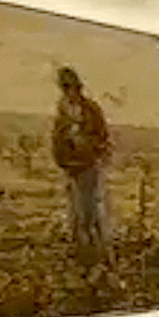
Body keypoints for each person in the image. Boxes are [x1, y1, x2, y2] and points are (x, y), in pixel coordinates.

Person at [52, 67, 111, 257]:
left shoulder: (91, 110)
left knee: (89, 207)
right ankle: (80, 247)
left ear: (78, 88)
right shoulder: (63, 111)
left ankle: (96, 248)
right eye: (65, 88)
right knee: (75, 209)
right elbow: (57, 139)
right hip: (71, 166)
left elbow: (102, 136)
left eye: (71, 87)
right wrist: (63, 159)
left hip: (89, 165)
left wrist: (90, 148)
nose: (69, 92)